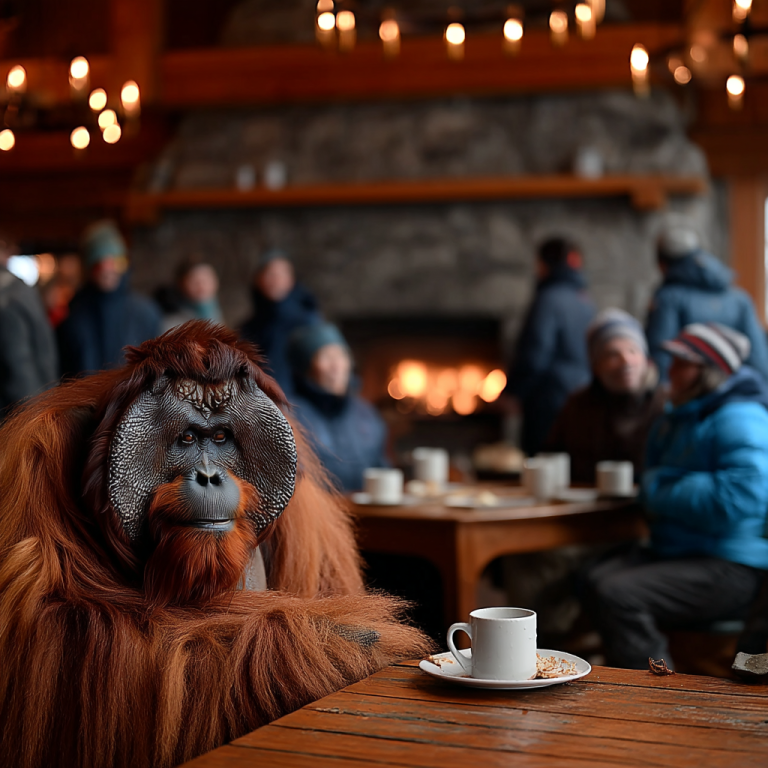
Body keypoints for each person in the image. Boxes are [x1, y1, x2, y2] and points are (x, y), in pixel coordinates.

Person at [583, 323, 768, 670]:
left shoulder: (740, 417)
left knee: (617, 593)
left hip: (733, 564)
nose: (671, 370)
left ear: (709, 371)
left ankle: (660, 688)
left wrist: (657, 486)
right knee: (590, 575)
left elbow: (741, 497)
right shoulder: (679, 415)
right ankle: (620, 673)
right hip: (683, 552)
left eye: (683, 363)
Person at [546, 308, 666, 484]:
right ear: (596, 365)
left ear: (645, 358)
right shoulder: (578, 406)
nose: (626, 361)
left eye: (633, 351)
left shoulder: (666, 404)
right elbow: (552, 457)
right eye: (612, 355)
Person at [504, 237, 596, 456]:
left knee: (541, 462)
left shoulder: (548, 300)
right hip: (581, 397)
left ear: (544, 264)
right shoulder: (585, 301)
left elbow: (535, 354)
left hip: (548, 400)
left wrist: (513, 392)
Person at [646, 220, 768, 380]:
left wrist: (663, 391)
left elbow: (661, 353)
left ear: (662, 263)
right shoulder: (740, 298)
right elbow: (758, 358)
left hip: (691, 391)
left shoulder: (668, 298)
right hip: (736, 388)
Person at [288, 322, 388, 492]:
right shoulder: (290, 416)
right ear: (306, 368)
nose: (337, 366)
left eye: (341, 355)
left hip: (370, 506)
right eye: (326, 357)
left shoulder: (366, 414)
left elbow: (382, 468)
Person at [58, 221, 161, 376]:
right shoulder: (72, 316)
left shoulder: (146, 313)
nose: (107, 270)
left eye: (113, 262)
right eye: (98, 264)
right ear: (88, 268)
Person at [240, 249, 321, 397]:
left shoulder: (308, 321)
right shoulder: (248, 328)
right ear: (258, 280)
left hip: (300, 402)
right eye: (270, 274)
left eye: (282, 274)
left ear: (291, 280)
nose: (276, 280)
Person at [0, 234, 58, 415]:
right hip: (24, 412)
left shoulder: (11, 292)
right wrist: (38, 417)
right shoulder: (11, 293)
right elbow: (19, 366)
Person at [156, 256, 224, 332]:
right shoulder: (170, 316)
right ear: (181, 284)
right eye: (195, 282)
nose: (201, 287)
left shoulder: (212, 308)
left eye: (206, 280)